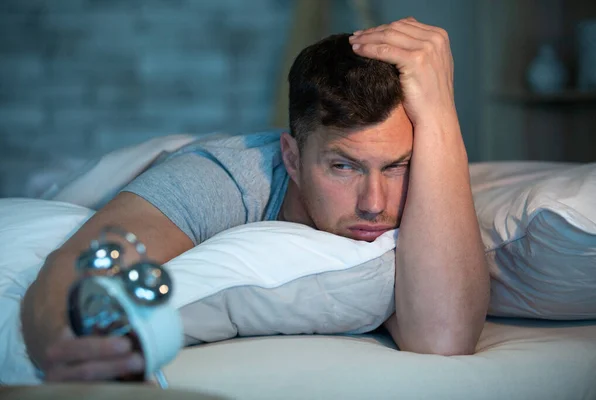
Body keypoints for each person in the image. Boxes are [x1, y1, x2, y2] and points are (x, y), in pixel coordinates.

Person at [20, 17, 490, 382]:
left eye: (396, 166)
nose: (373, 202)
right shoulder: (218, 182)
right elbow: (79, 266)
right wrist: (66, 347)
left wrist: (441, 111)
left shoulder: (425, 165)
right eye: (342, 167)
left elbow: (443, 337)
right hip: (153, 165)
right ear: (292, 157)